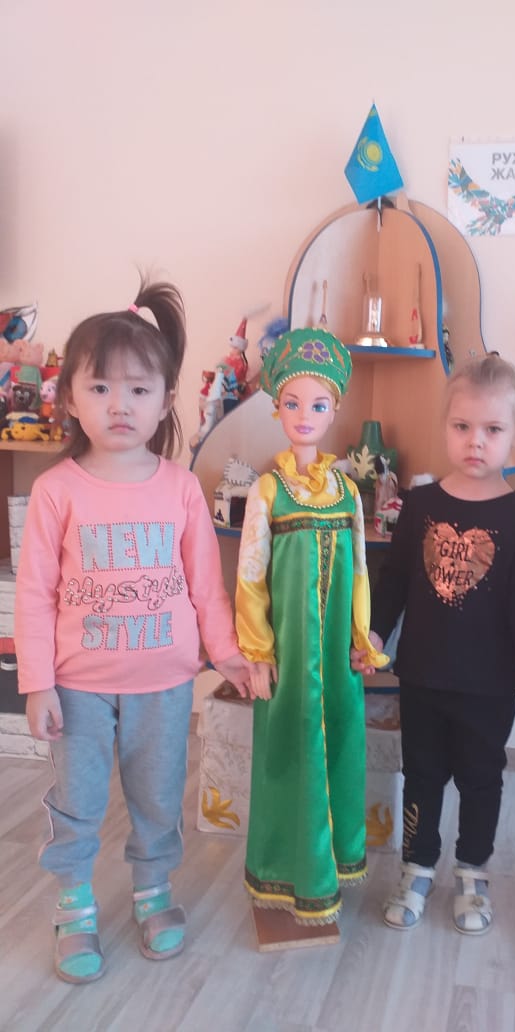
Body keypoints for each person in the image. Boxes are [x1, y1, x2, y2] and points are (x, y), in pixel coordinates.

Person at [15, 279, 252, 984]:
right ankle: (74, 905)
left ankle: (153, 890)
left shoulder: (180, 487)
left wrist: (228, 654)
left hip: (164, 684)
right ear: (69, 398)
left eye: (138, 390)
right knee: (78, 801)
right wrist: (36, 684)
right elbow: (34, 595)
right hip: (78, 687)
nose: (120, 405)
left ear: (166, 400)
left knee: (156, 797)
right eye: (100, 388)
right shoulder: (57, 491)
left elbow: (206, 585)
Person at [354, 353, 515, 935]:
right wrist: (374, 633)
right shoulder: (419, 507)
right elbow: (394, 584)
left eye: (492, 429)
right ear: (446, 427)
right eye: (462, 426)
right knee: (421, 775)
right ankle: (416, 868)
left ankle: (473, 873)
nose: (476, 441)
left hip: (489, 686)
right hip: (423, 676)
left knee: (482, 779)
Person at [235, 327, 389, 926]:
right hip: (290, 656)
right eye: (293, 403)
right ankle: (285, 873)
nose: (305, 416)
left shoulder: (347, 492)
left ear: (335, 410)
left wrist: (361, 639)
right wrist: (258, 652)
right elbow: (251, 577)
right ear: (277, 408)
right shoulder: (267, 492)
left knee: (340, 751)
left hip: (336, 656)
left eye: (318, 404)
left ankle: (333, 868)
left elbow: (361, 572)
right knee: (287, 756)